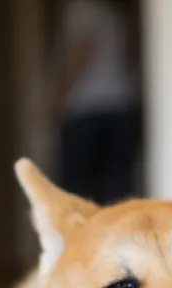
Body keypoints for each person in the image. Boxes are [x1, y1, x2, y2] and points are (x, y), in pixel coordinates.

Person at [51, 0, 140, 205]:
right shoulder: (112, 12)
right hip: (121, 104)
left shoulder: (80, 7)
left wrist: (58, 98)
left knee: (74, 187)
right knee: (117, 185)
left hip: (86, 106)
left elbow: (81, 51)